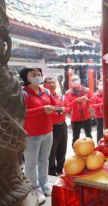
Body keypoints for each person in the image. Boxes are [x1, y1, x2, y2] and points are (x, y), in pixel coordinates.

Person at [20, 68, 58, 204]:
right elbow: (21, 113)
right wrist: (42, 110)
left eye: (39, 74)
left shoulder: (46, 91)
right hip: (31, 134)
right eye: (33, 74)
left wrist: (57, 109)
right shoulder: (23, 93)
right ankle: (34, 188)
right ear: (26, 77)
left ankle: (44, 184)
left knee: (44, 160)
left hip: (48, 131)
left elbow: (54, 104)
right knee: (31, 163)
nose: (37, 76)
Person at [43, 76, 68, 176]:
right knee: (51, 150)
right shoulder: (44, 97)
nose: (52, 84)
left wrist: (62, 110)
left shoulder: (59, 96)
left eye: (53, 82)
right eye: (49, 83)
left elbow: (66, 107)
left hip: (62, 125)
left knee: (63, 148)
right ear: (44, 85)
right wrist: (58, 111)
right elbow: (47, 112)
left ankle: (60, 168)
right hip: (51, 127)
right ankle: (51, 171)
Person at [64, 75, 93, 146]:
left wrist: (87, 100)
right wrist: (75, 101)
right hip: (75, 118)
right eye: (73, 80)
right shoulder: (68, 93)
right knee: (75, 137)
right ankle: (75, 152)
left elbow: (93, 101)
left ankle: (91, 149)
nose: (75, 81)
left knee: (89, 135)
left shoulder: (87, 90)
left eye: (76, 79)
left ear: (80, 80)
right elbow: (67, 106)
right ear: (70, 82)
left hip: (87, 117)